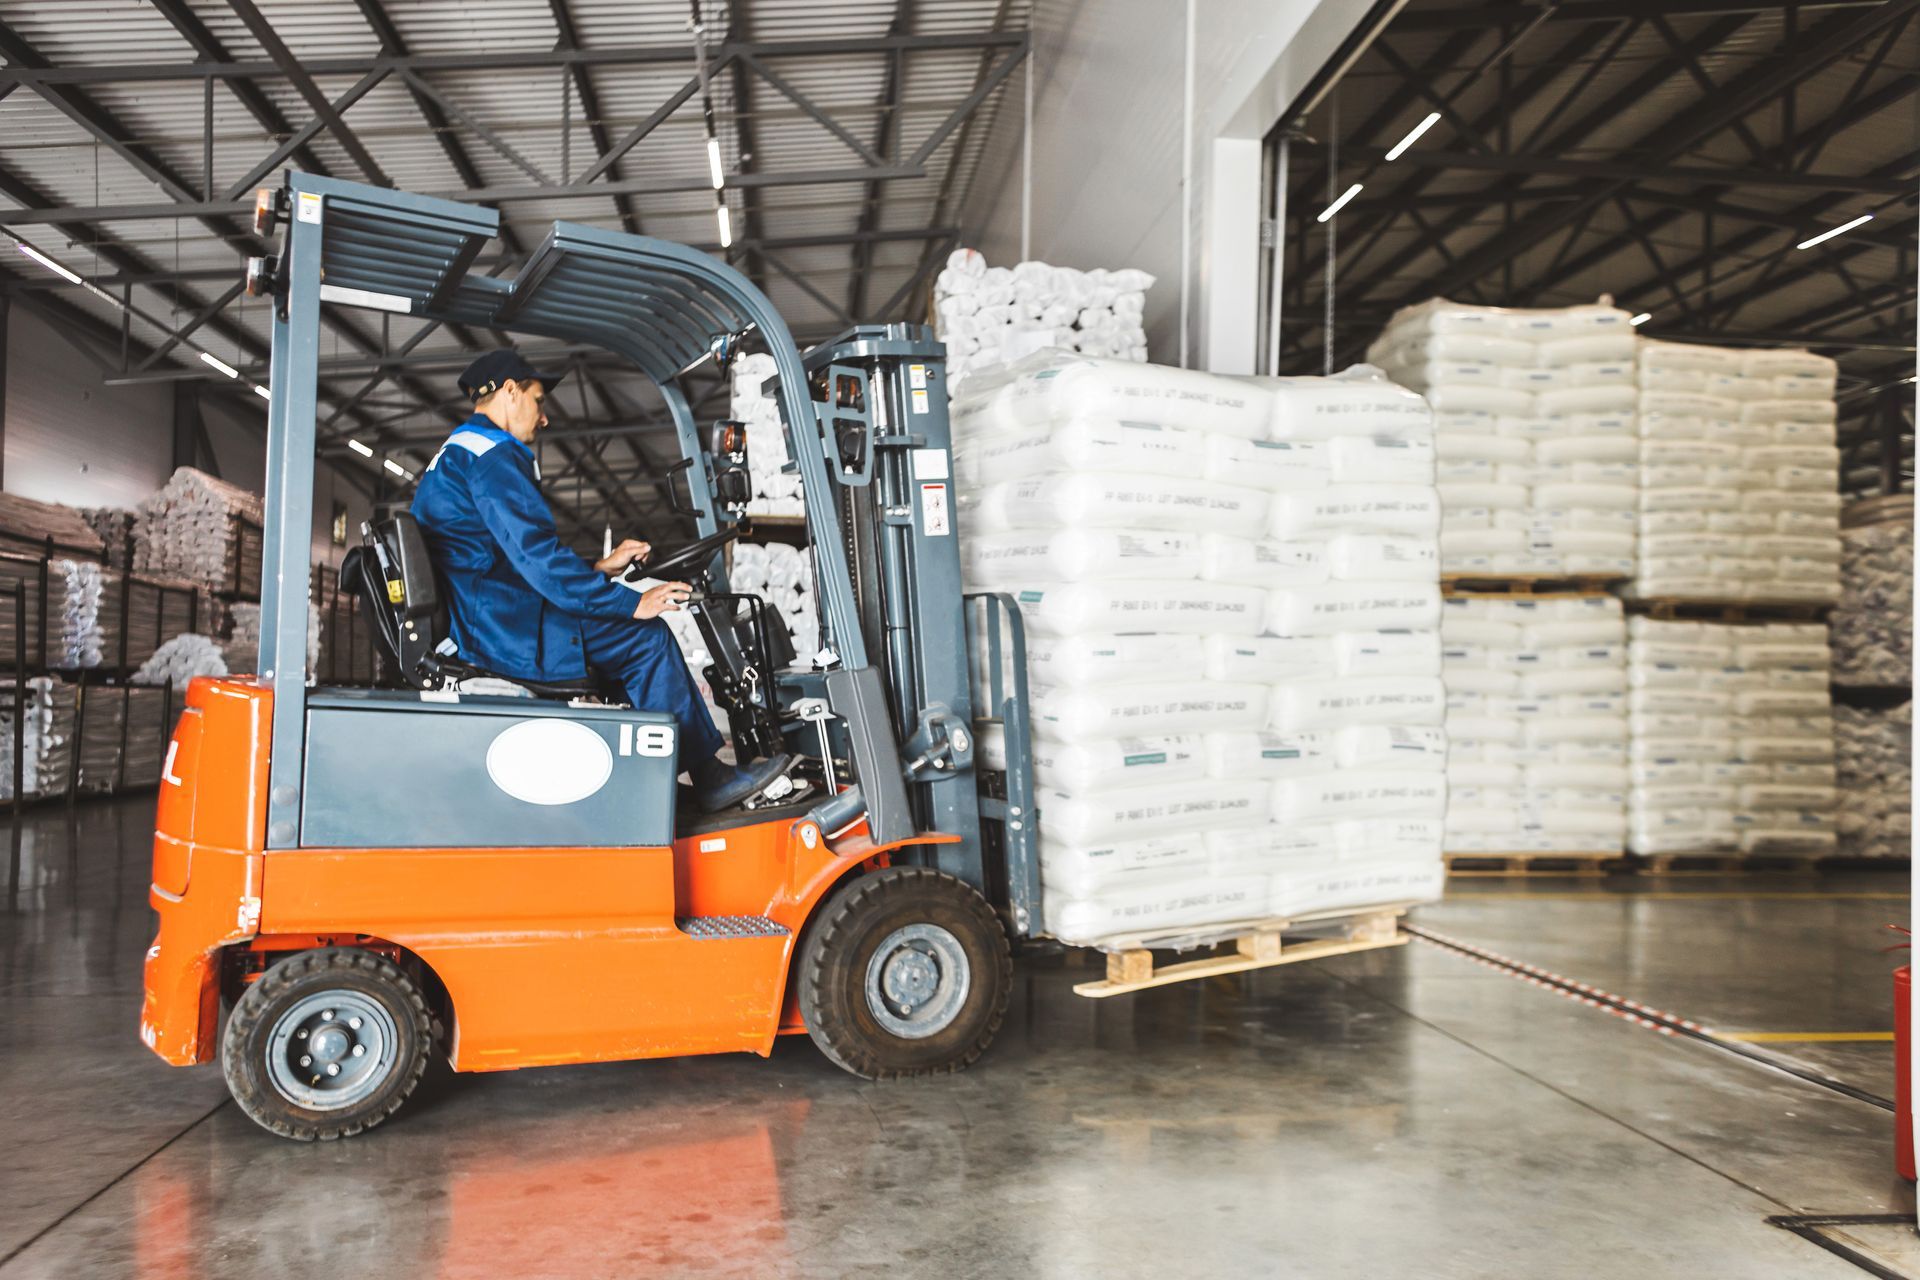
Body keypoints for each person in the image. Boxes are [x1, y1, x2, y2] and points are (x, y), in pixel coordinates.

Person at [412, 348, 791, 811]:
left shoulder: (461, 450)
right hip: (505, 627)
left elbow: (507, 557)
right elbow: (538, 561)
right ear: (509, 392)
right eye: (538, 400)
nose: (544, 418)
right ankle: (709, 777)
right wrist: (634, 602)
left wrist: (597, 569)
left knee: (624, 633)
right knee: (646, 638)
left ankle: (657, 774)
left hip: (491, 611)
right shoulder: (492, 457)